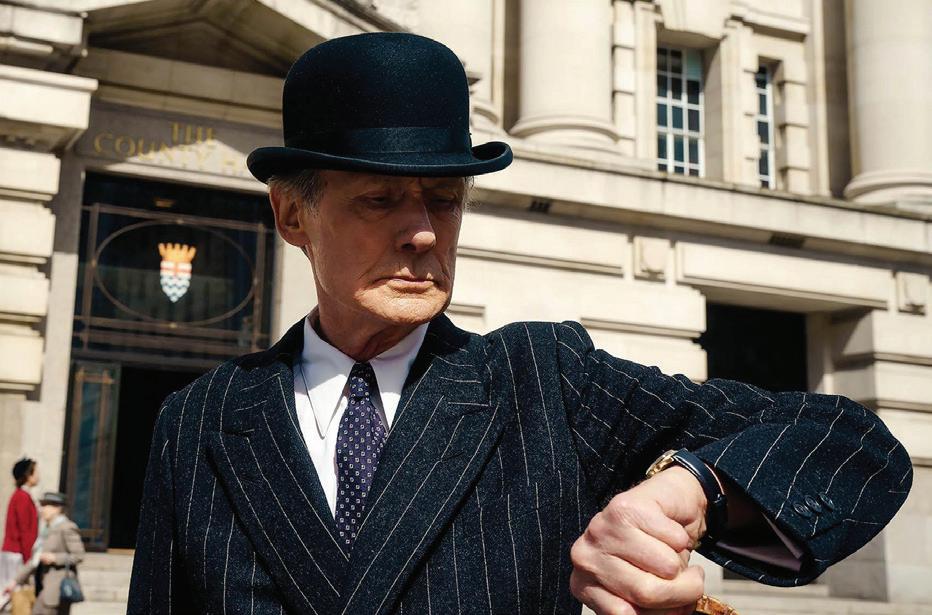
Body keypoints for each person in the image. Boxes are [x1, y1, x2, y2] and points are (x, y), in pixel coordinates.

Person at [128, 32, 912, 614]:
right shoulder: (198, 421)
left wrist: (695, 487)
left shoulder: (544, 382)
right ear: (293, 214)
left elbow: (851, 443)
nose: (423, 231)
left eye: (444, 200)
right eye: (379, 199)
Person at [3, 492, 84, 615]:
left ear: (57, 508)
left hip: (57, 588)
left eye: (46, 505)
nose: (42, 509)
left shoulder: (67, 527)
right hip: (42, 586)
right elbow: (34, 560)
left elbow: (79, 555)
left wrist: (55, 558)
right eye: (42, 505)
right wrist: (15, 581)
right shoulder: (46, 530)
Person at [1, 458, 39, 596]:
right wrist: (29, 559)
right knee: (11, 595)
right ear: (28, 475)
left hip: (16, 552)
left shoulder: (22, 495)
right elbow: (24, 530)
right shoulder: (22, 497)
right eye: (36, 472)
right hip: (17, 553)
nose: (38, 476)